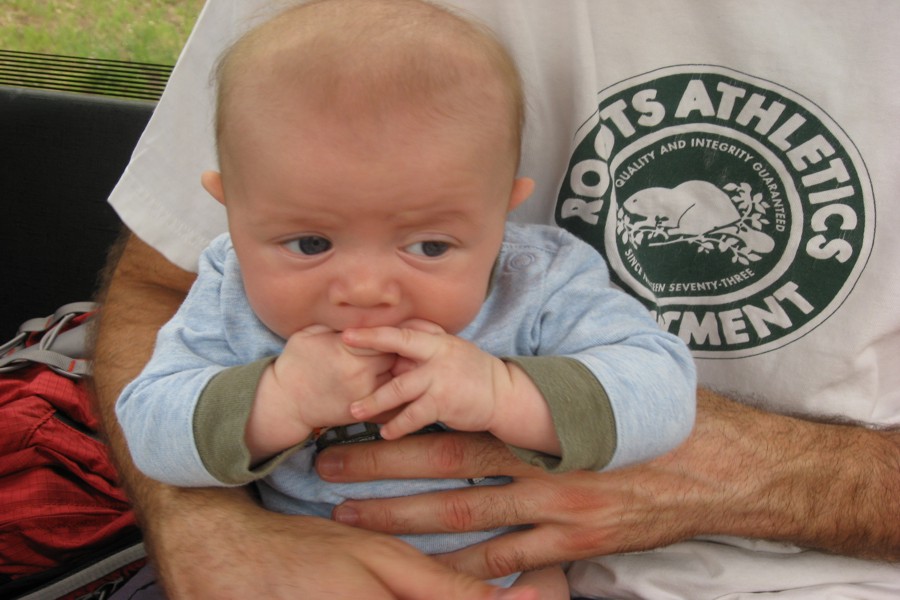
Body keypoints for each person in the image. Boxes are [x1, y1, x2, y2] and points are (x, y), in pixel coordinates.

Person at [93, 0, 900, 598]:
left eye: (431, 246)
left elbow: (658, 390)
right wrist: (272, 400)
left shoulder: (536, 280)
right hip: (320, 564)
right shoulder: (229, 286)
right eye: (309, 244)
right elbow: (154, 424)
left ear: (504, 210)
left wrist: (504, 390)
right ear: (227, 206)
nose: (368, 288)